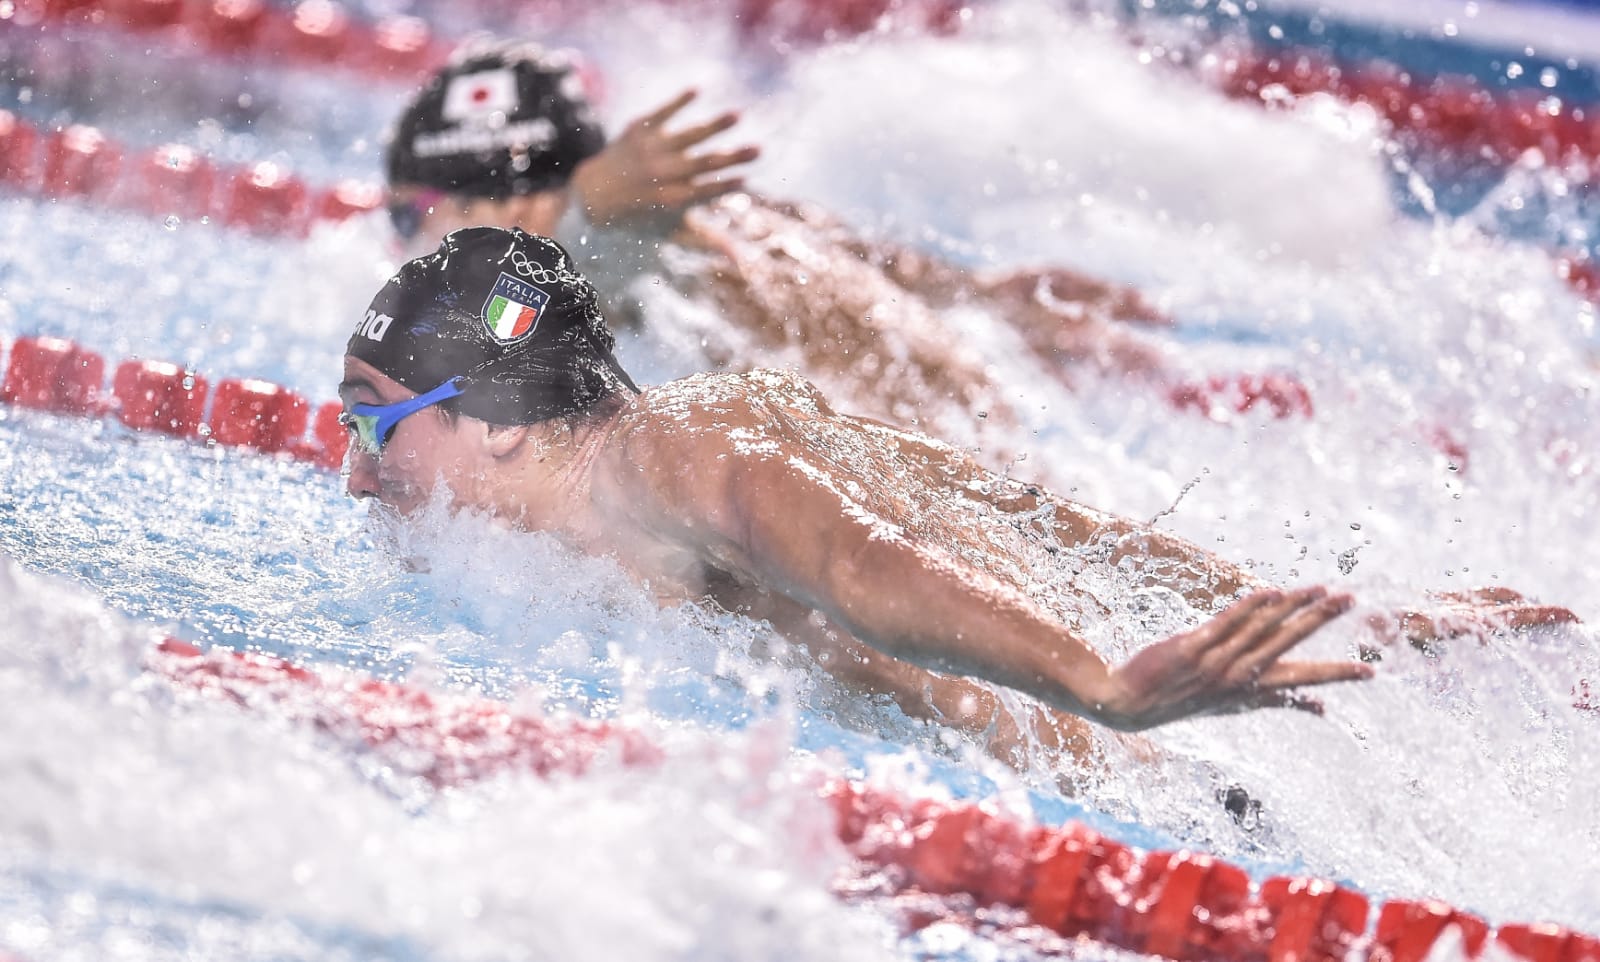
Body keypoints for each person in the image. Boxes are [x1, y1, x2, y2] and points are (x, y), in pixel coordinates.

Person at [341, 227, 1397, 766]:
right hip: (1158, 765)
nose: (354, 466)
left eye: (374, 421)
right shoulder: (686, 442)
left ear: (496, 417)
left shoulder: (661, 455)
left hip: (1129, 778)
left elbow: (858, 566)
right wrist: (1285, 606)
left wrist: (1101, 686)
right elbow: (1017, 510)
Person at [378, 39, 1177, 452]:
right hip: (961, 435)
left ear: (504, 203)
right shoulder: (693, 224)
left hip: (936, 463)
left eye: (413, 212)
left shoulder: (614, 240)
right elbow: (833, 245)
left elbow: (550, 277)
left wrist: (595, 208)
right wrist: (977, 293)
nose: (406, 241)